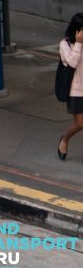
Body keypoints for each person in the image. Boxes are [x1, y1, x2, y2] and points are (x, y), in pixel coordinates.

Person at [57, 13, 83, 160]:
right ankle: (65, 139)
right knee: (80, 124)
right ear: (77, 30)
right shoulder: (64, 45)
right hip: (76, 91)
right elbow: (72, 63)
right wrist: (78, 43)